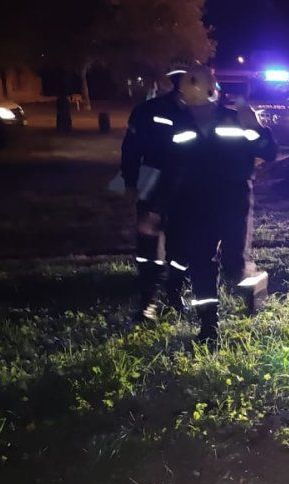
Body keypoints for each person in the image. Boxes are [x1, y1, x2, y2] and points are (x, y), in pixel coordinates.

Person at [167, 65, 277, 346]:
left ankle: (255, 283)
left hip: (232, 201)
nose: (196, 112)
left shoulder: (235, 119)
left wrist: (254, 127)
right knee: (201, 264)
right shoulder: (179, 125)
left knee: (233, 266)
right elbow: (167, 163)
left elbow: (269, 152)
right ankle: (208, 326)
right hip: (195, 205)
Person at [120, 62, 190, 322]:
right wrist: (129, 183)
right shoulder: (148, 110)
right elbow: (131, 149)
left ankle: (172, 294)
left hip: (184, 186)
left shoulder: (201, 113)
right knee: (149, 245)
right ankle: (149, 300)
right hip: (154, 182)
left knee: (180, 246)